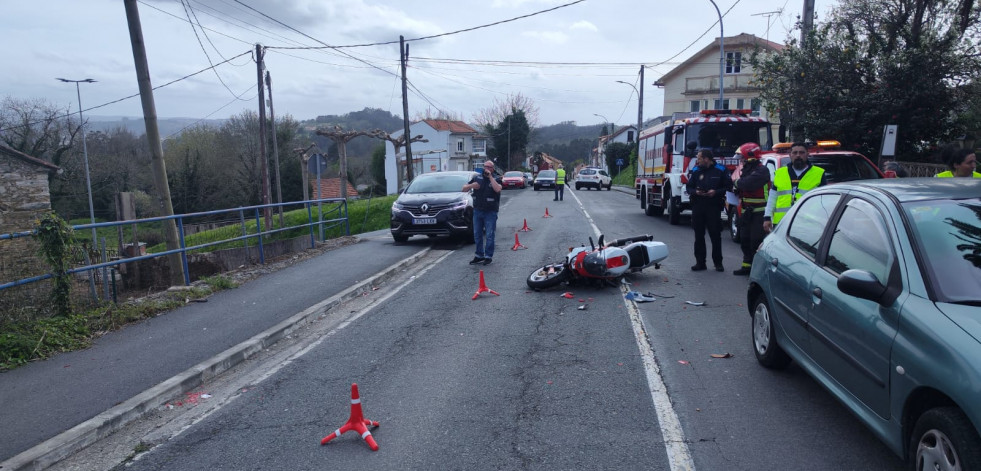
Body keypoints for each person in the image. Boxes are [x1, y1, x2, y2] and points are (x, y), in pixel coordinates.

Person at [764, 141, 827, 234]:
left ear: (807, 154)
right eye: (794, 153)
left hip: (807, 225)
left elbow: (824, 202)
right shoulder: (780, 173)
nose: (798, 155)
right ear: (790, 155)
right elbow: (772, 198)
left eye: (801, 153)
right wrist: (767, 217)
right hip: (781, 222)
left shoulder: (819, 174)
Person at [685, 149, 732, 272]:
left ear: (706, 159)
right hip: (698, 205)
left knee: (715, 235)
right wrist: (695, 191)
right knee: (698, 235)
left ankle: (718, 263)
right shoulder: (696, 170)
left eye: (699, 158)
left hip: (713, 206)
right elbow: (689, 187)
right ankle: (700, 262)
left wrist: (715, 192)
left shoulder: (721, 170)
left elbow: (728, 186)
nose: (698, 160)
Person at [732, 143, 772, 276]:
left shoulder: (762, 171)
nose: (741, 160)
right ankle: (746, 266)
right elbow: (742, 186)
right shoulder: (747, 169)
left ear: (751, 156)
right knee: (745, 239)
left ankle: (758, 269)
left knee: (756, 240)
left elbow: (747, 184)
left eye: (742, 157)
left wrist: (736, 183)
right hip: (746, 211)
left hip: (759, 212)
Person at [462, 160, 503, 265]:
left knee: (489, 234)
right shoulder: (477, 178)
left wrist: (490, 177)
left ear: (492, 169)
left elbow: (498, 189)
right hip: (478, 210)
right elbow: (463, 188)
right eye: (485, 167)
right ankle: (479, 255)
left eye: (489, 167)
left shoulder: (497, 178)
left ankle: (488, 256)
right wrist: (471, 186)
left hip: (490, 211)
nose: (487, 169)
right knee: (477, 234)